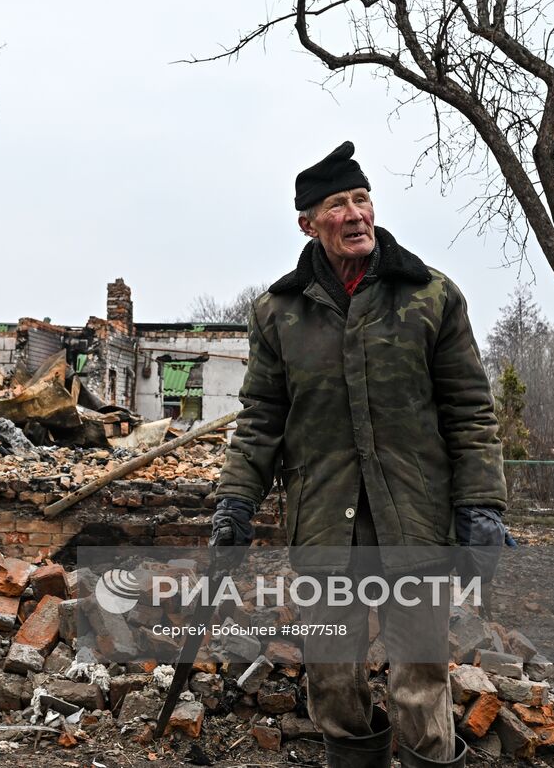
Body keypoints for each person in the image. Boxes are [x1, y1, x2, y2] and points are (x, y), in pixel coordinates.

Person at [210, 141, 508, 768]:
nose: (354, 214)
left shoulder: (430, 297)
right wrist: (235, 500)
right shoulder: (278, 313)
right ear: (308, 223)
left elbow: (470, 412)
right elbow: (262, 419)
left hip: (414, 522)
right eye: (336, 205)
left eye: (361, 199)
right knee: (334, 681)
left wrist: (481, 504)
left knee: (420, 681)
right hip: (324, 524)